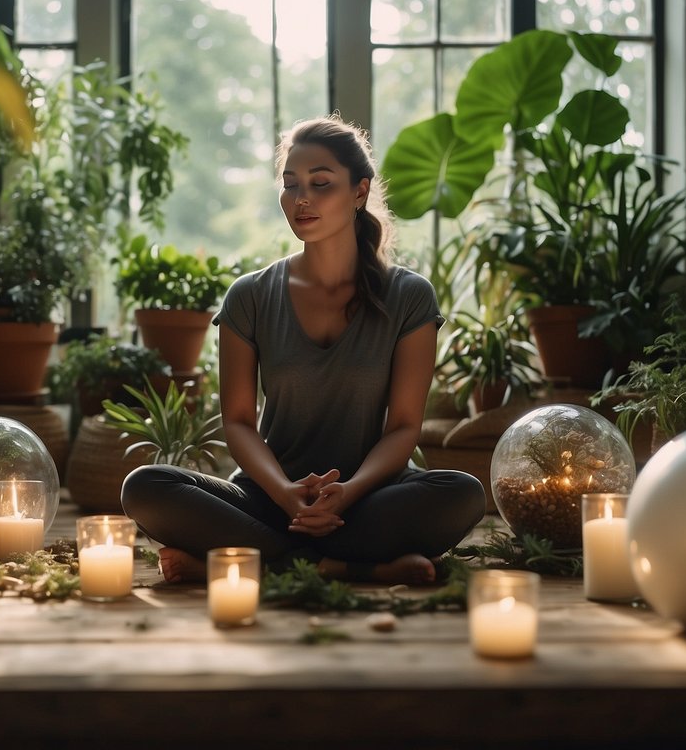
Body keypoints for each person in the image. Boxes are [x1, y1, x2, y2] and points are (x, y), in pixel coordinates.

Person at [120, 114, 485, 585]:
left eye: (321, 183)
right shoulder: (249, 295)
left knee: (462, 493)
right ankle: (348, 567)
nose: (302, 199)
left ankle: (242, 562)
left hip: (371, 498)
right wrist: (289, 495)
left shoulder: (409, 296)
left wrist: (347, 493)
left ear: (359, 191)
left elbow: (402, 428)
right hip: (270, 500)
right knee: (147, 486)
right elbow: (237, 422)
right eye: (291, 184)